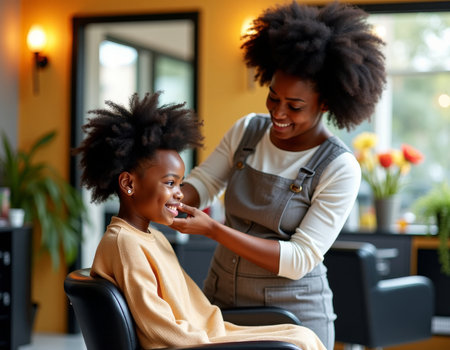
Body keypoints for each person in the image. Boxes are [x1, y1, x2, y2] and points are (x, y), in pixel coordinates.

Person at [170, 2, 386, 349]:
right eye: (273, 97)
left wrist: (212, 229)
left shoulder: (339, 167)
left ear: (326, 103)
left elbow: (299, 259)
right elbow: (205, 183)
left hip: (293, 318)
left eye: (295, 106)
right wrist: (170, 195)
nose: (278, 113)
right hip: (221, 304)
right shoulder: (247, 130)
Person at [72, 92, 326, 350]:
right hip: (196, 345)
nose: (180, 193)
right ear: (128, 183)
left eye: (180, 183)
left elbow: (198, 314)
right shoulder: (125, 245)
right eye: (170, 183)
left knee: (301, 335)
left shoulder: (151, 236)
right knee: (298, 343)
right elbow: (162, 332)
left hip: (207, 336)